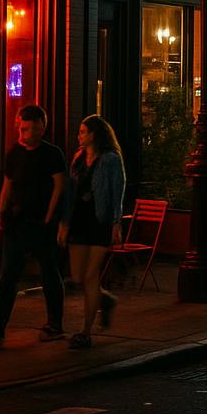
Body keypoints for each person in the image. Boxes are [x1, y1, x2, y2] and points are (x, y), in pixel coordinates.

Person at [0, 104, 67, 346]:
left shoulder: (52, 154)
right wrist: (1, 215)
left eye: (26, 129)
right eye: (20, 128)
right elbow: (7, 184)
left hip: (40, 223)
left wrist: (50, 217)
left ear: (40, 128)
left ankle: (55, 323)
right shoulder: (14, 152)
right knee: (8, 275)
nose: (21, 134)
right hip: (16, 222)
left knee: (49, 272)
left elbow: (59, 186)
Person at [58, 115, 125, 350]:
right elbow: (69, 192)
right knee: (78, 277)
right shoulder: (78, 159)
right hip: (78, 221)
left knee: (90, 276)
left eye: (83, 132)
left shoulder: (110, 160)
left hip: (99, 221)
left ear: (94, 134)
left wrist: (116, 222)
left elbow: (118, 191)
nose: (79, 136)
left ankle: (85, 331)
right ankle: (105, 299)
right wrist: (64, 223)